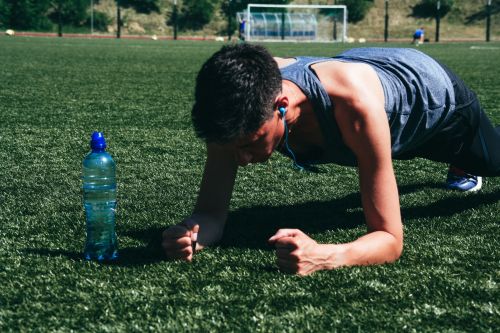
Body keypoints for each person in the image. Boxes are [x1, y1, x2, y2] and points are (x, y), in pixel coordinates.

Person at [161, 44, 500, 276]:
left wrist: (325, 256)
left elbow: (389, 239)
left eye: (250, 145)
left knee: (493, 162)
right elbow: (209, 214)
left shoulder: (355, 108)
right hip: (367, 75)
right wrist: (192, 235)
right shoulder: (233, 110)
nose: (242, 159)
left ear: (282, 106)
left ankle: (462, 161)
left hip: (437, 106)